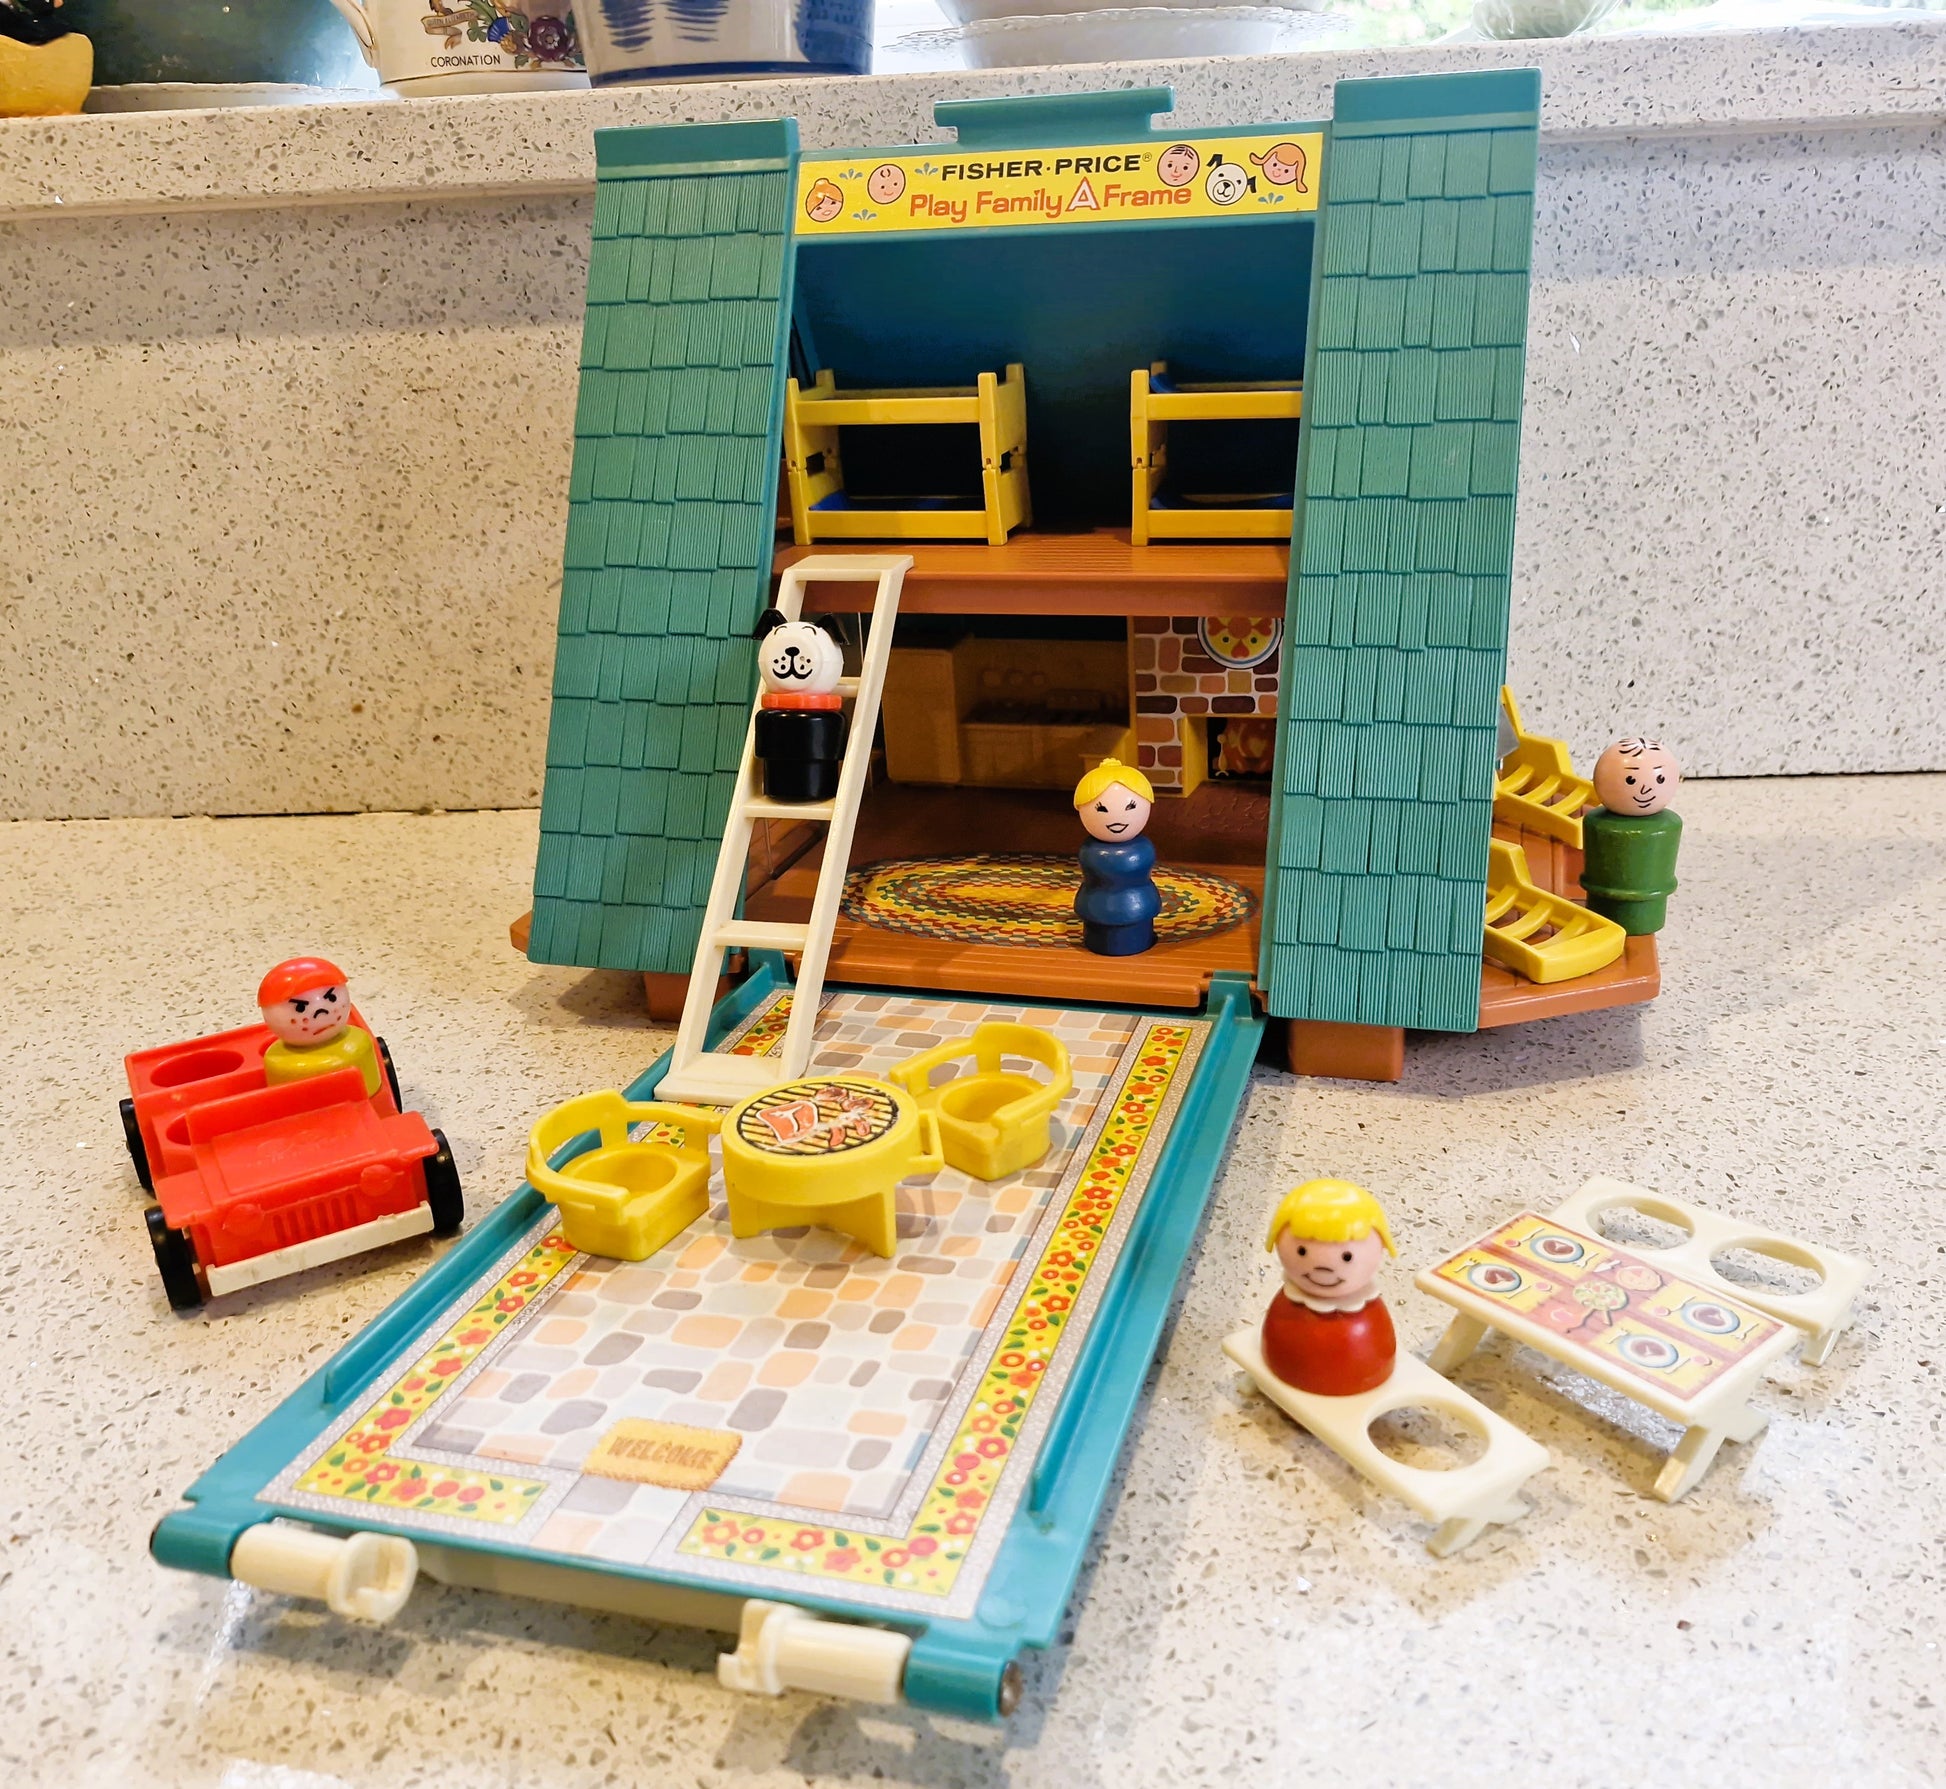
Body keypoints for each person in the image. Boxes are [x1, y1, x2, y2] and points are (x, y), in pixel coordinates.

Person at [1260, 1178, 1397, 1396]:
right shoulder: (1287, 1307)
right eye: (1302, 1251)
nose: (1323, 1269)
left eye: (1347, 1256)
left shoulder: (1368, 1318)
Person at [258, 957, 382, 1099]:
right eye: (300, 1008)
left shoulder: (358, 1043)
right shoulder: (278, 1061)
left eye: (332, 998)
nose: (321, 1012)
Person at [1072, 757, 1160, 956]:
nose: (1117, 818)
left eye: (1131, 807)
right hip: (1097, 908)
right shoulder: (1090, 851)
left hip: (1136, 907)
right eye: (1101, 809)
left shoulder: (1142, 849)